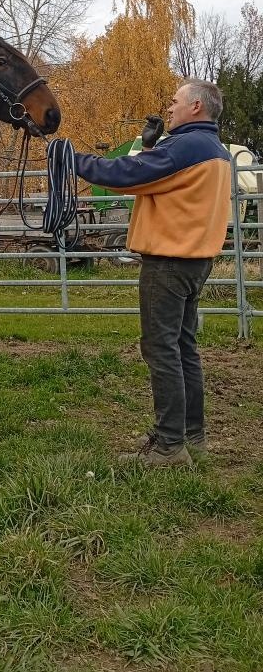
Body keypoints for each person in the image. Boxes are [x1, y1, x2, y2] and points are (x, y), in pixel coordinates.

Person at [74, 79, 231, 467]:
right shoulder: (215, 150)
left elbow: (126, 175)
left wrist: (71, 159)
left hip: (169, 263)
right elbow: (152, 182)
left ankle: (168, 447)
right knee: (182, 348)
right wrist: (148, 147)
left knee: (161, 350)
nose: (170, 107)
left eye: (176, 102)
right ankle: (192, 437)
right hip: (195, 262)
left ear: (196, 107)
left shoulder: (187, 146)